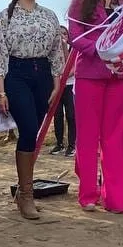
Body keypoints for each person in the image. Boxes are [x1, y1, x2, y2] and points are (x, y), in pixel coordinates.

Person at [0, 0, 64, 220]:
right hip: (17, 74)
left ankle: (23, 190)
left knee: (35, 132)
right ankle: (26, 195)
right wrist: (1, 92)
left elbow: (57, 51)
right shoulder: (5, 17)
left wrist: (57, 83)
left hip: (43, 74)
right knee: (29, 130)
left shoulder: (49, 16)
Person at [67, 0, 123, 214]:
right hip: (89, 74)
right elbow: (74, 37)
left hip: (118, 76)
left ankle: (115, 197)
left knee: (115, 138)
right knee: (87, 137)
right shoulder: (81, 1)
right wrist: (99, 50)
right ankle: (88, 193)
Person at [50, 26, 76, 157]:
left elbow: (71, 67)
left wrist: (65, 47)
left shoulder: (73, 49)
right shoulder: (52, 50)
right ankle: (59, 143)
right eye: (59, 34)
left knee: (71, 115)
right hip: (56, 86)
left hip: (69, 85)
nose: (62, 36)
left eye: (64, 33)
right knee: (58, 115)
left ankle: (72, 145)